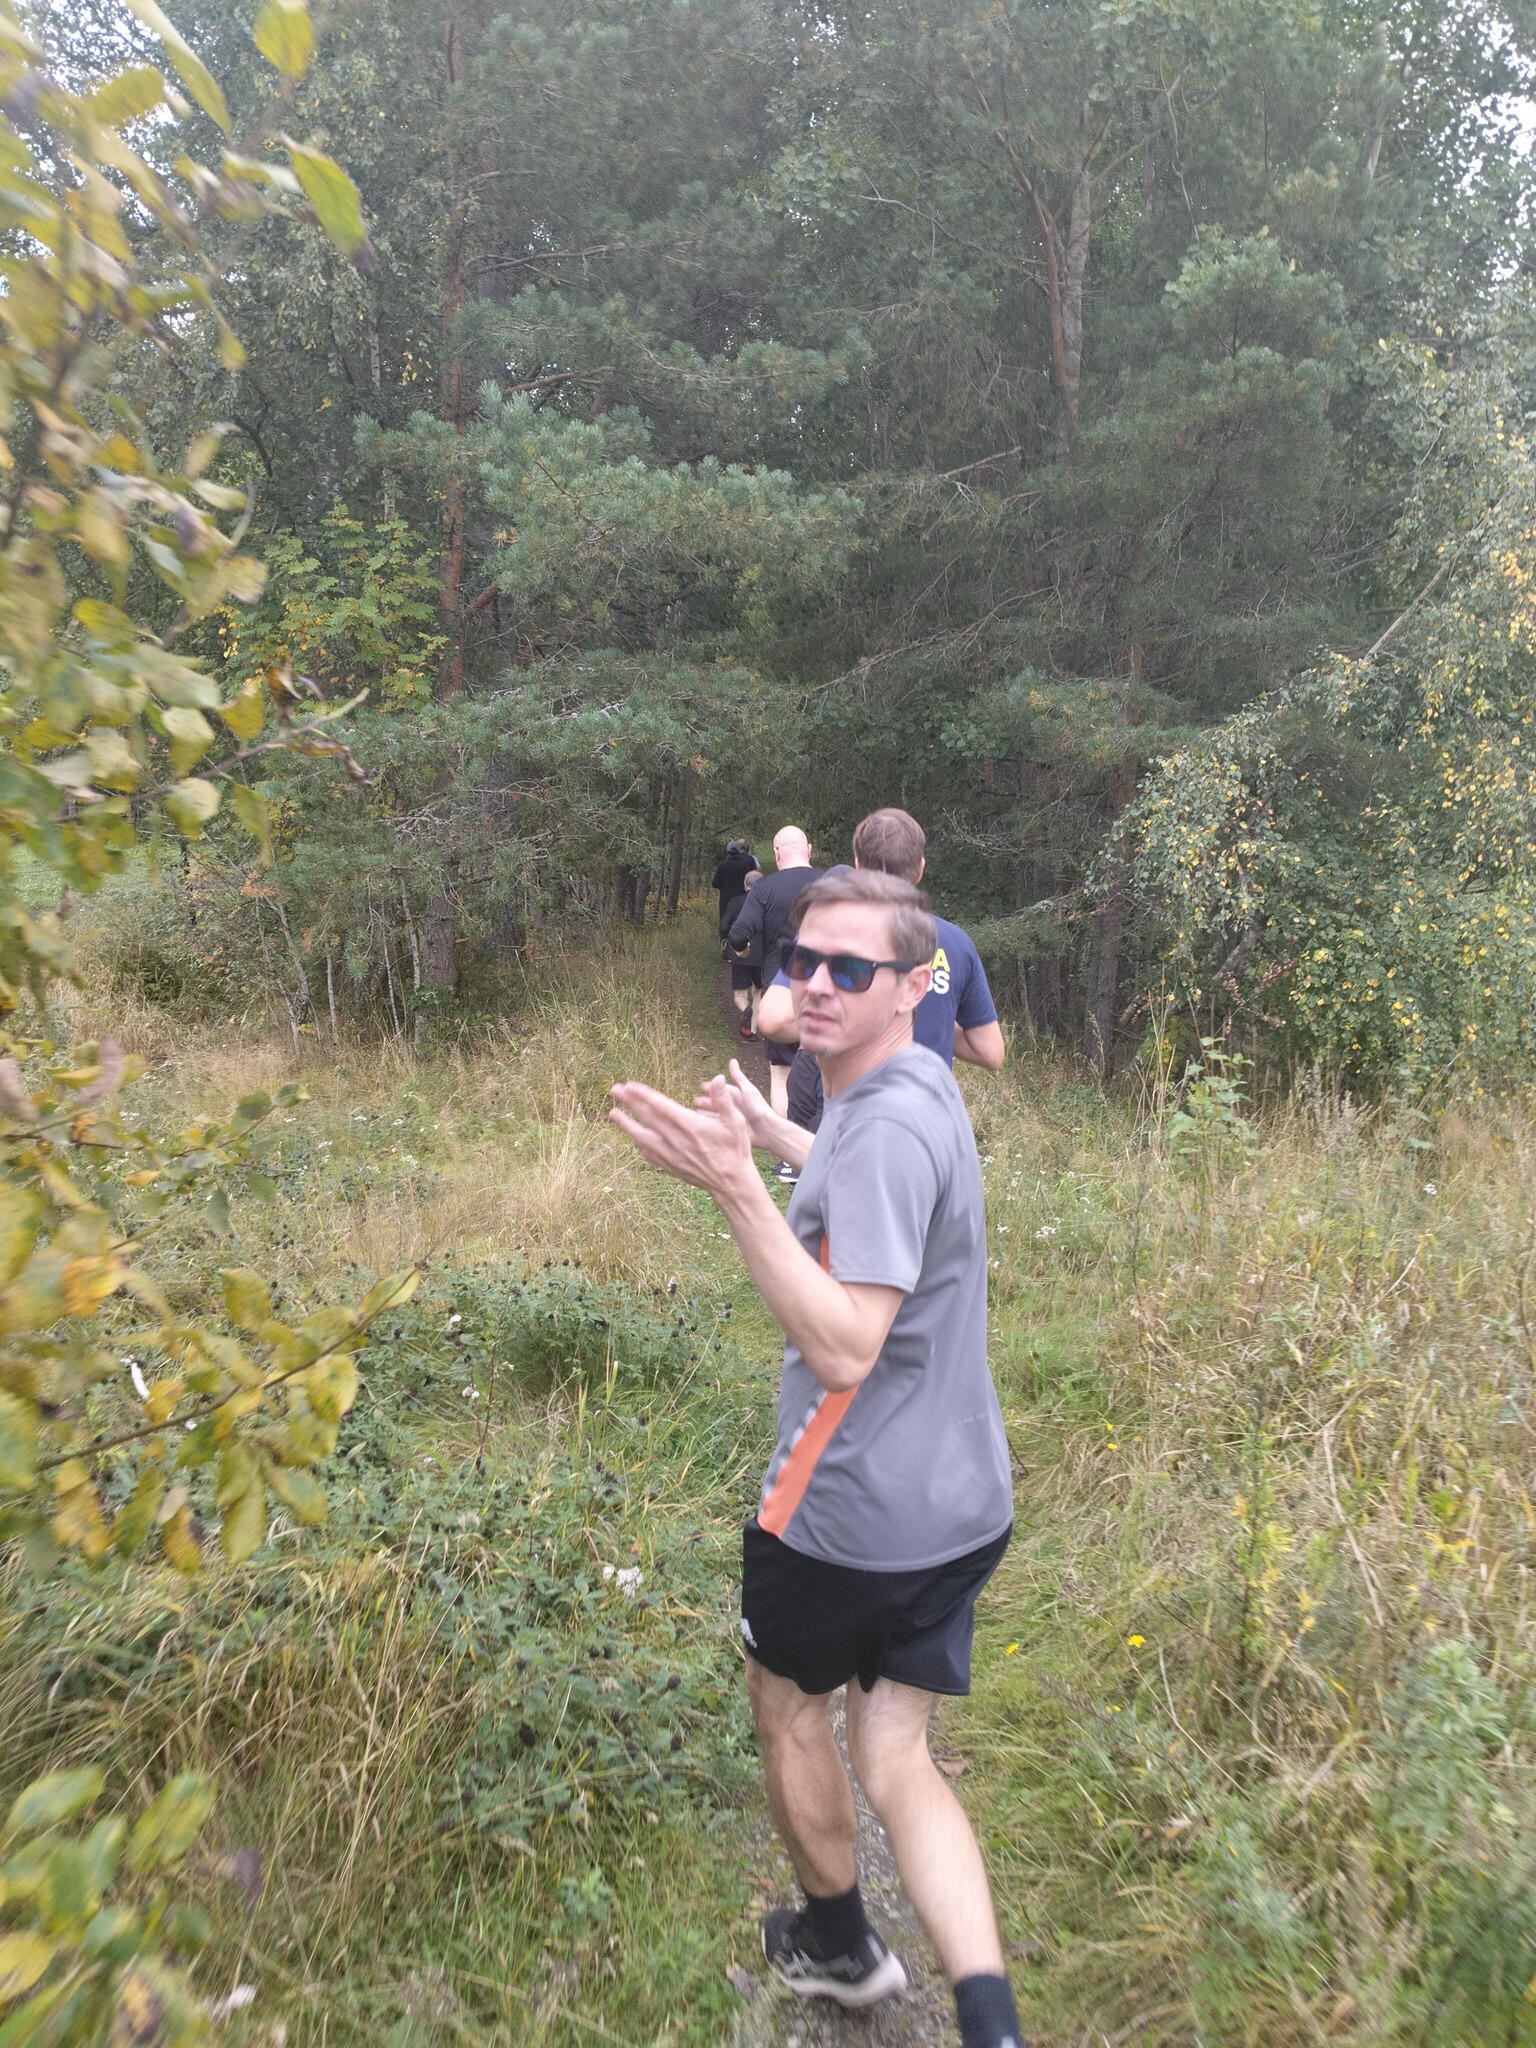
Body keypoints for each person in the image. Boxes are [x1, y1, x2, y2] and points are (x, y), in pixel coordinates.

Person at [610, 868, 1024, 2048]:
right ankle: (991, 2022)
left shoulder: (882, 1119)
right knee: (898, 1755)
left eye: (853, 967)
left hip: (846, 1508)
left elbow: (845, 1346)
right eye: (804, 961)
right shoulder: (912, 1082)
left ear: (913, 984)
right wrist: (773, 1133)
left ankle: (839, 1944)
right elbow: (864, 1174)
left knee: (789, 1708)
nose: (819, 984)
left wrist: (734, 1185)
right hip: (961, 1499)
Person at [758, 808, 1005, 1139]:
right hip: (926, 1125)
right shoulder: (956, 943)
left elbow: (773, 1019)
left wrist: (835, 1017)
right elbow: (990, 1051)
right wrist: (933, 1012)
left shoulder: (835, 928)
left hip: (848, 1114)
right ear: (920, 869)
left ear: (857, 865)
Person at [726, 825, 823, 1122]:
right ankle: (820, 1140)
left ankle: (788, 1145)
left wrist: (742, 951)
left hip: (782, 991)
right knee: (829, 1070)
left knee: (782, 1072)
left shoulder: (764, 888)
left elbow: (738, 934)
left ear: (777, 853)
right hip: (828, 990)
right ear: (809, 850)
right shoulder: (831, 885)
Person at [722, 866, 763, 1035]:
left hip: (740, 952)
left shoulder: (735, 902)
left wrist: (727, 941)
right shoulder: (767, 903)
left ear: (745, 886)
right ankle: (752, 1030)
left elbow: (724, 925)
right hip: (762, 954)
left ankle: (746, 1009)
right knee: (759, 991)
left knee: (740, 995)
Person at [712, 838, 758, 927]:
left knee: (725, 924)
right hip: (742, 898)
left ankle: (725, 936)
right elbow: (751, 879)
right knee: (741, 922)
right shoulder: (745, 865)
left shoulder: (722, 866)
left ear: (727, 851)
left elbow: (715, 884)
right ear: (738, 851)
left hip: (726, 899)